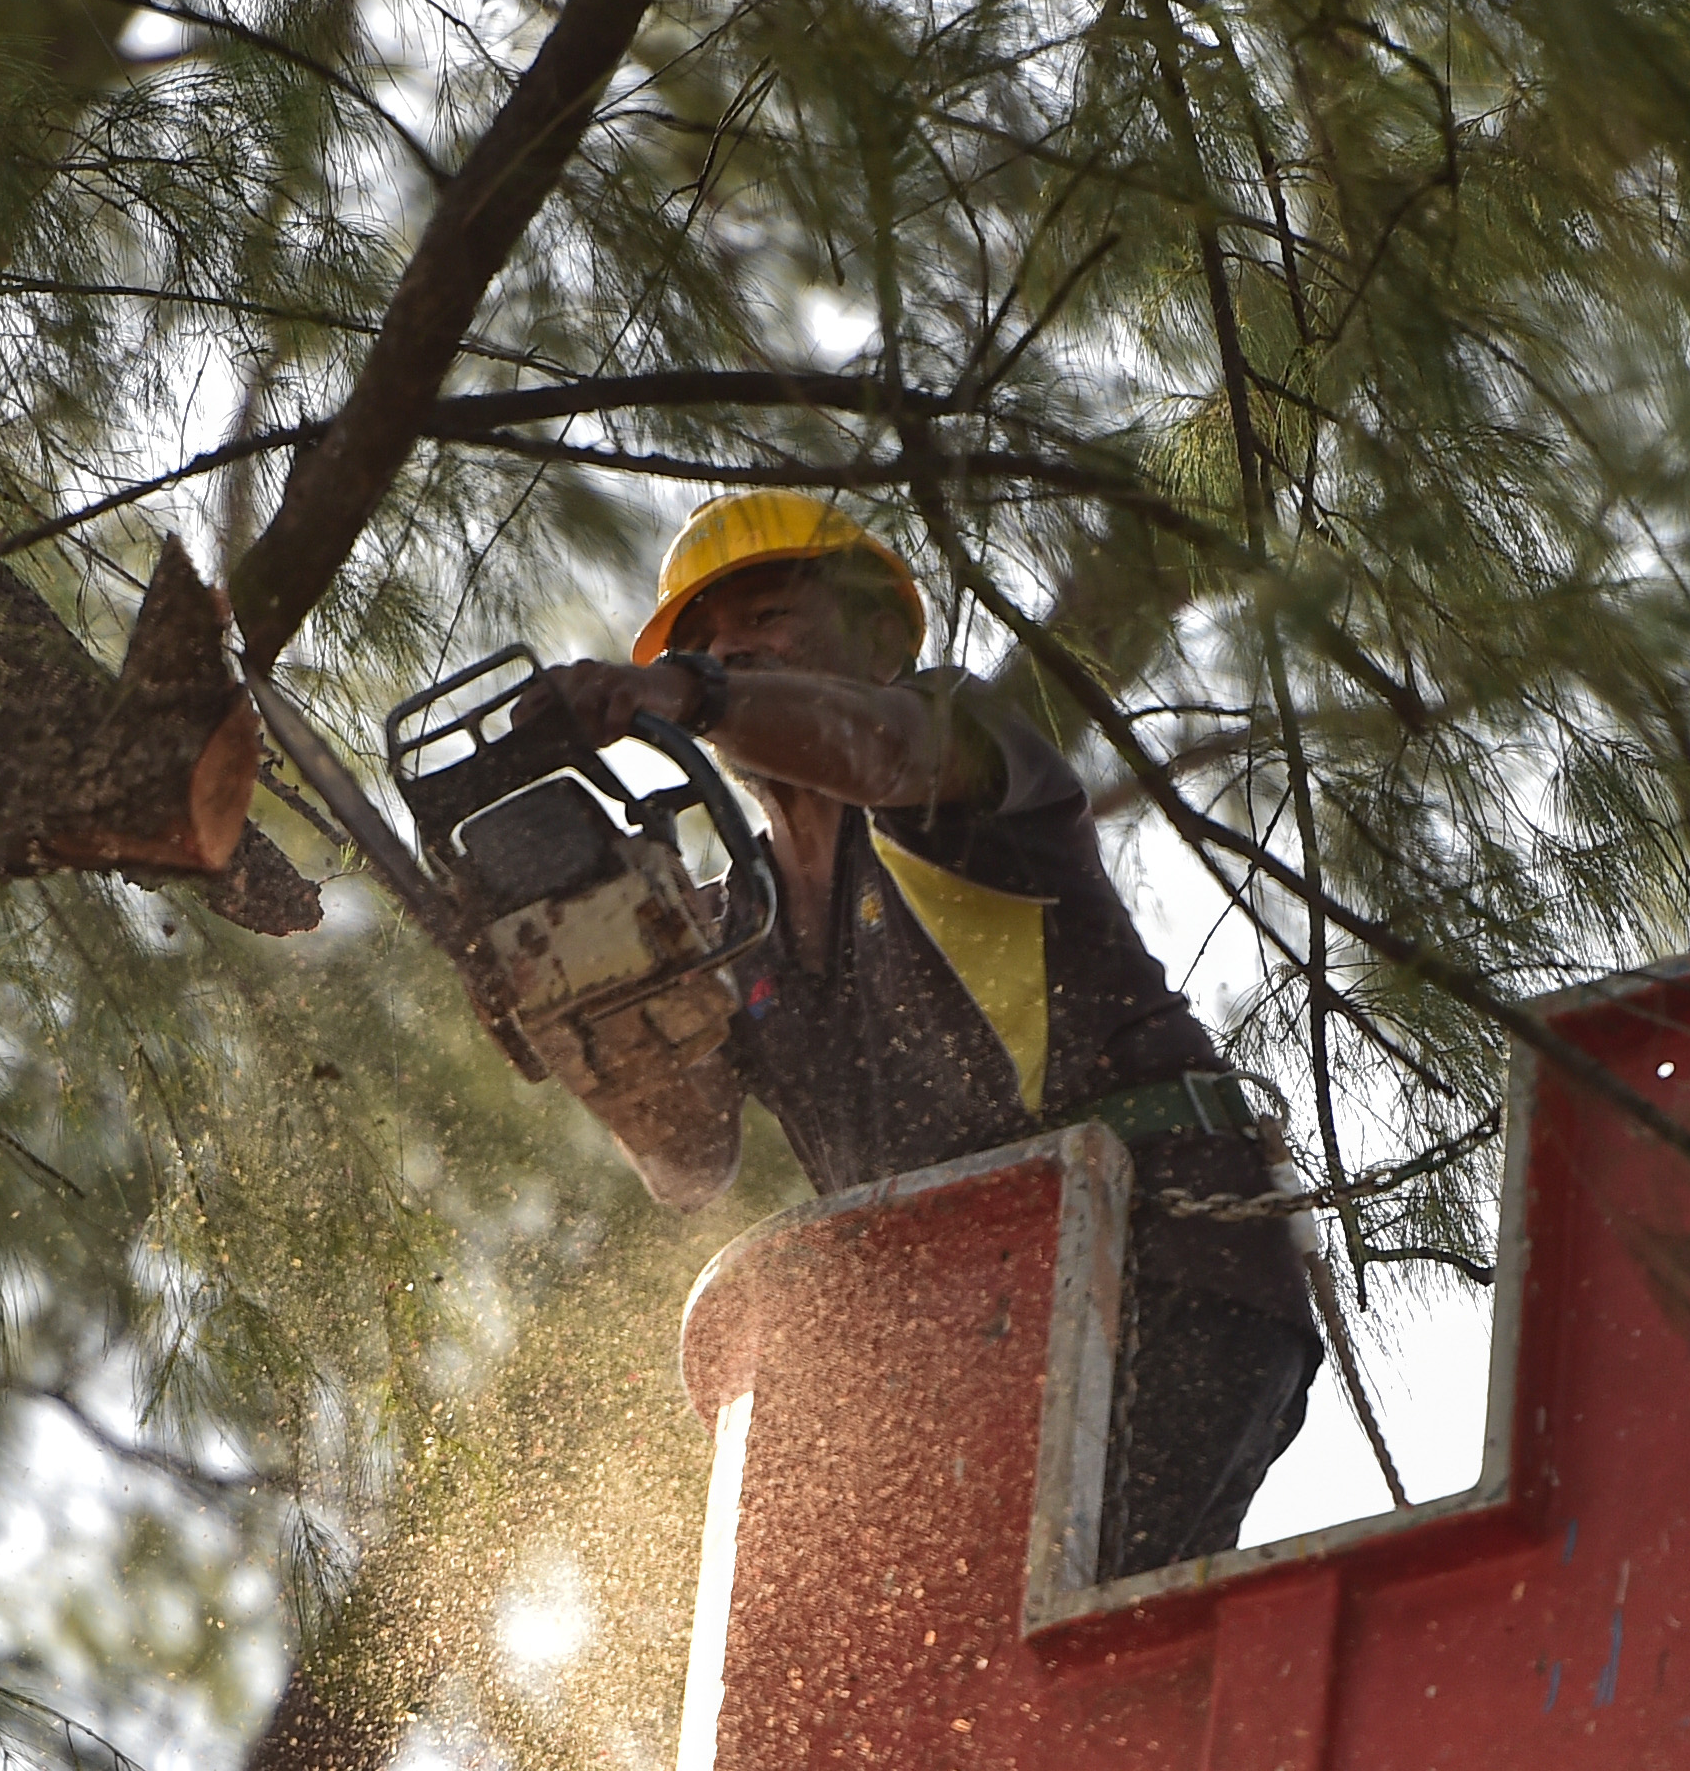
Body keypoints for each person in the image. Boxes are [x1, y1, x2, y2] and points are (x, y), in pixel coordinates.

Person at [525, 496, 1324, 1576]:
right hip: (973, 1326)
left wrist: (689, 689)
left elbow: (881, 749)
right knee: (938, 1646)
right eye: (705, 640)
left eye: (766, 616)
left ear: (873, 633)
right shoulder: (728, 925)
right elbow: (686, 1156)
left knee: (1076, 1608)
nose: (733, 651)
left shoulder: (958, 737)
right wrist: (590, 1021)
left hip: (1168, 1257)